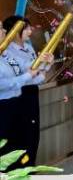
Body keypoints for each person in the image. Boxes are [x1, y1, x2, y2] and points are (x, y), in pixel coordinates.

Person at [0, 20, 49, 169]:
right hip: (3, 108)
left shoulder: (5, 54)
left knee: (19, 145)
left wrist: (45, 64)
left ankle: (24, 174)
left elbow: (26, 69)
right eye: (0, 29)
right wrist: (28, 75)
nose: (4, 31)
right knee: (6, 150)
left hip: (15, 104)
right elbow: (4, 83)